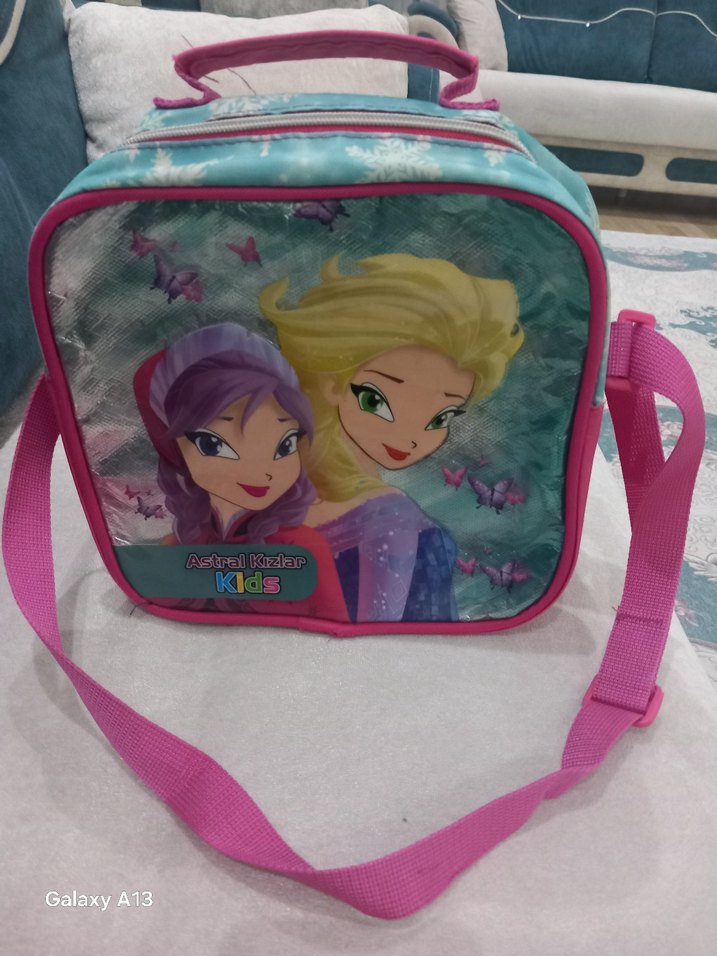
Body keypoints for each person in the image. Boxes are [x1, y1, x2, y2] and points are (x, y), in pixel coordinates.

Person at [260, 254, 523, 623]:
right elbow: (388, 633)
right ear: (330, 382)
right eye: (377, 400)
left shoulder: (260, 481)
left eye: (440, 418)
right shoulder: (396, 521)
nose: (410, 437)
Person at [133, 323, 349, 621]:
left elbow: (331, 616)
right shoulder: (183, 538)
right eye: (214, 444)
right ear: (174, 448)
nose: (263, 471)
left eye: (285, 444)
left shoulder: (300, 546)